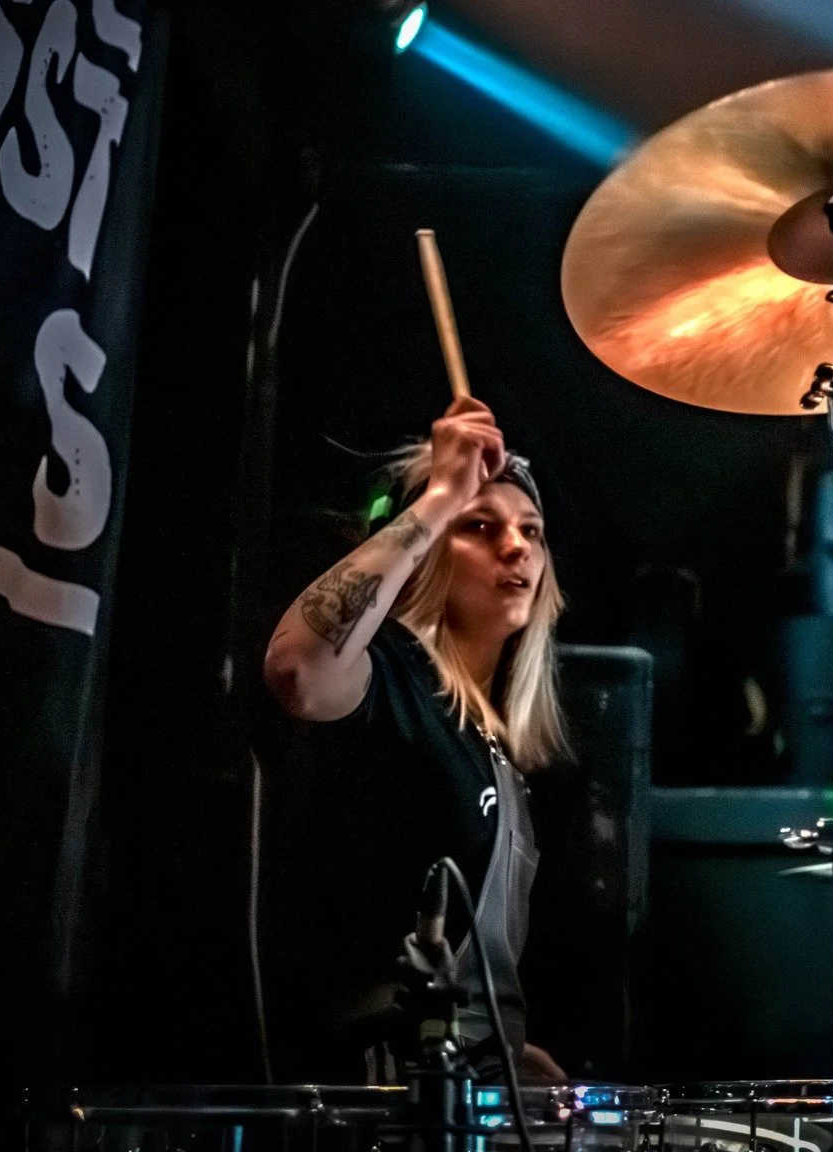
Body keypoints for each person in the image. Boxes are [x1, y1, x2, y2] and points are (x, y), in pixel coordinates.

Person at [262, 395, 568, 1083]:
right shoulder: (395, 678)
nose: (516, 546)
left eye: (532, 531)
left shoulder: (491, 741)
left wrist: (500, 1047)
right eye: (480, 525)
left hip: (464, 1088)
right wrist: (437, 499)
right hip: (383, 1100)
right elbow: (297, 669)